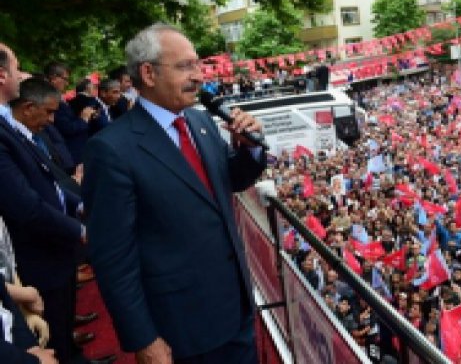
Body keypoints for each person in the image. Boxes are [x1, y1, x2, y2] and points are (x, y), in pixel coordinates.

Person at [82, 23, 266, 363]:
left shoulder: (202, 121)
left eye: (197, 65)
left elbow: (230, 182)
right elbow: (112, 257)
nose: (197, 76)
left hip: (234, 308)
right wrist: (143, 338)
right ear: (148, 73)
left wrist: (247, 149)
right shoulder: (110, 149)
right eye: (185, 66)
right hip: (180, 326)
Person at [0, 49, 88, 363]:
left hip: (50, 250)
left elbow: (50, 181)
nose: (22, 75)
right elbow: (26, 205)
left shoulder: (11, 128)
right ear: (2, 76)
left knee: (62, 329)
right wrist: (79, 229)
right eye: (17, 67)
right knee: (54, 336)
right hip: (36, 255)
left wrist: (79, 208)